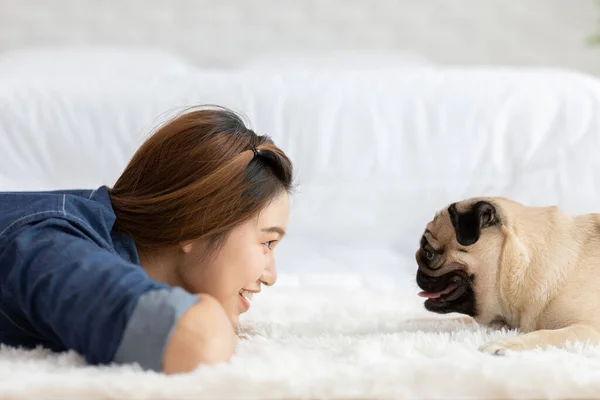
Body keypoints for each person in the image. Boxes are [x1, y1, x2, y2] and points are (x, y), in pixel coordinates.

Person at [0, 106, 294, 374]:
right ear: (199, 223)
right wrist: (205, 314)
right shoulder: (51, 246)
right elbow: (198, 341)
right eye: (266, 243)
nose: (272, 276)